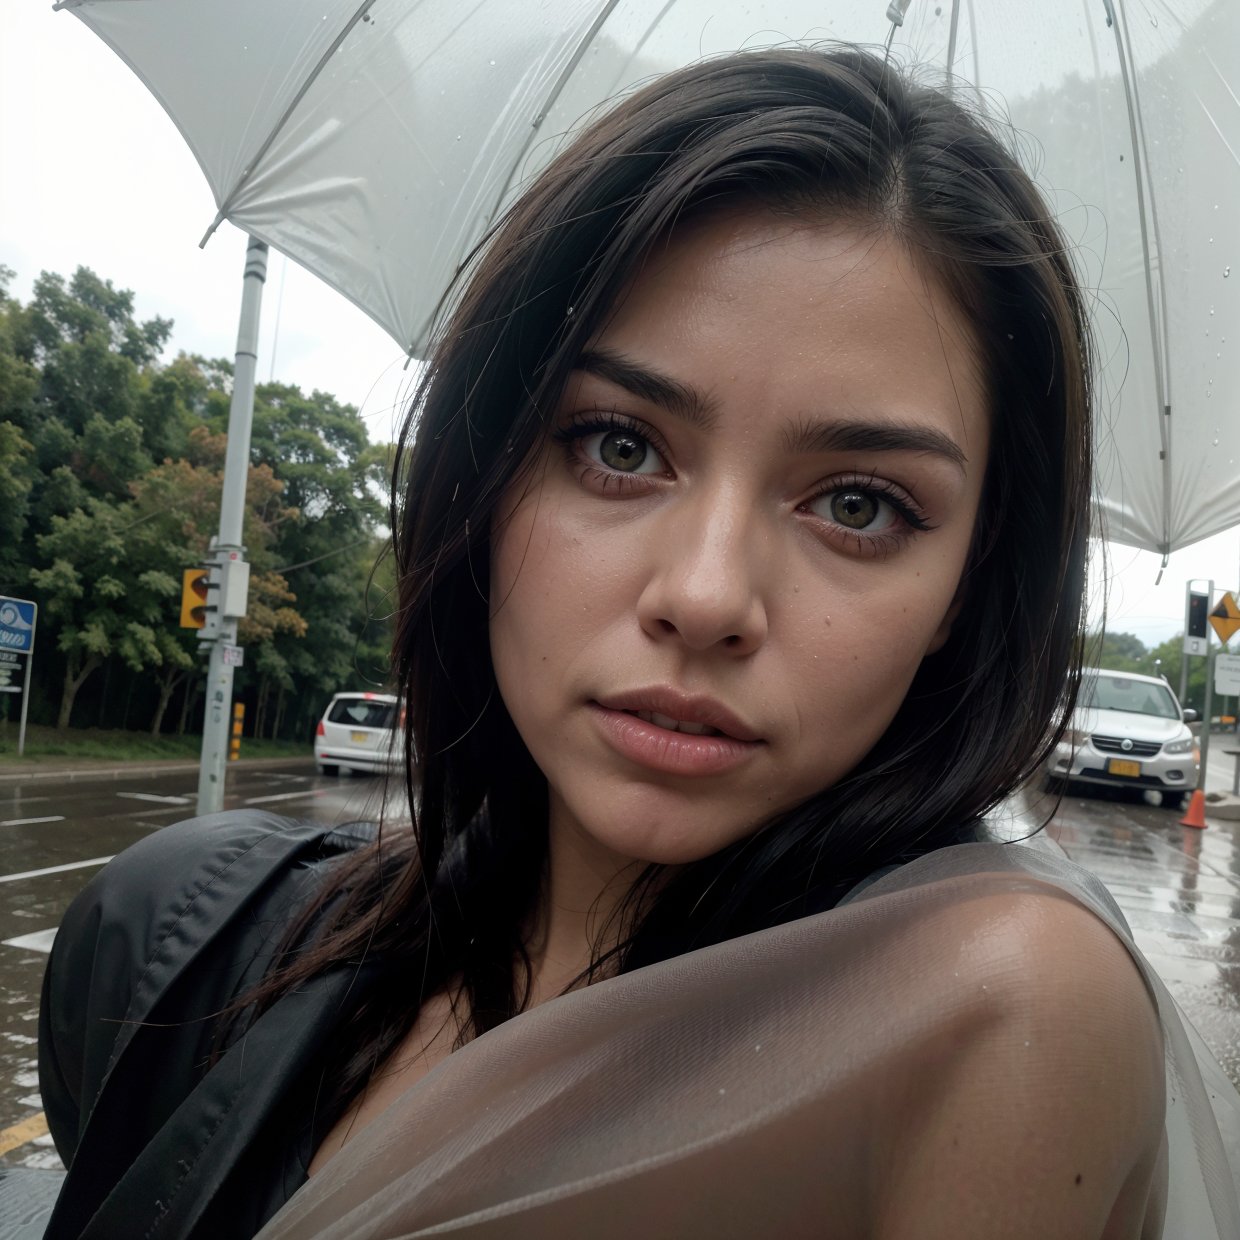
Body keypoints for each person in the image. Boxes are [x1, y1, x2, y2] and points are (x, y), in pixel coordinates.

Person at [38, 45, 1240, 1240]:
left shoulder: (993, 1016)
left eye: (860, 504)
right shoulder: (169, 952)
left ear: (965, 598)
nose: (707, 595)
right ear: (488, 471)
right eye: (619, 445)